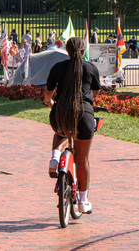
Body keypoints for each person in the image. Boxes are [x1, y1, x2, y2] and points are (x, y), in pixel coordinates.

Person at [42, 37, 101, 215]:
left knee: (60, 132)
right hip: (84, 114)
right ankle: (83, 201)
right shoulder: (90, 68)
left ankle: (55, 157)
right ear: (83, 51)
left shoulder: (58, 67)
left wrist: (48, 101)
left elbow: (48, 91)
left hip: (61, 112)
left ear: (66, 51)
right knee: (82, 160)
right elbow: (95, 92)